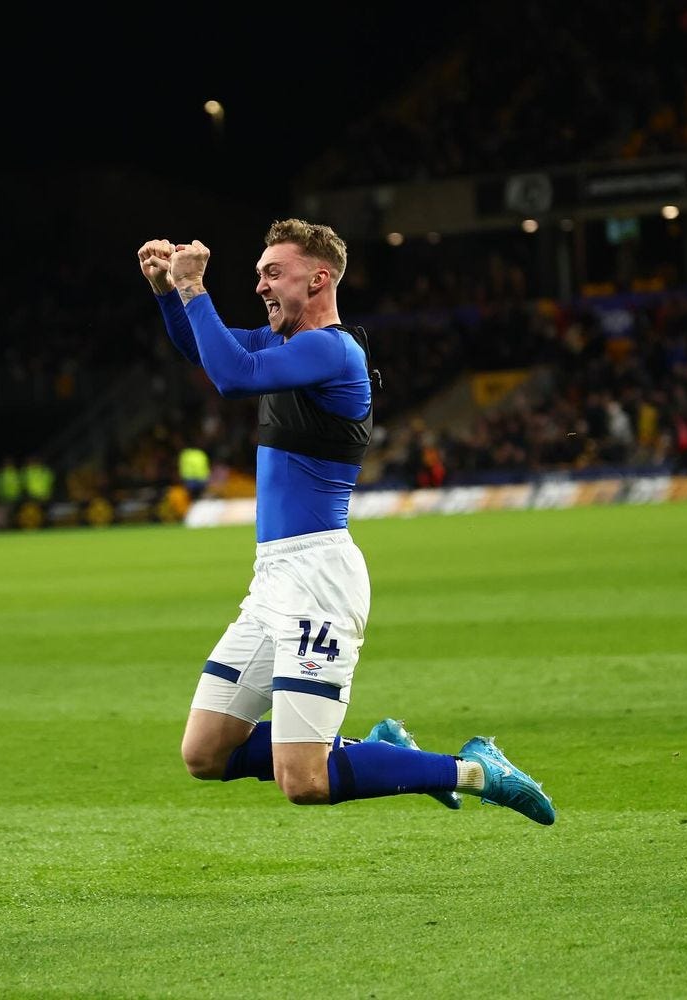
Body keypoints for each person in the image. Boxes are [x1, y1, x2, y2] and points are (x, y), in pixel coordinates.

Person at [137, 219, 554, 825]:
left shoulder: (332, 351)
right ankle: (384, 753)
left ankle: (476, 770)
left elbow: (231, 377)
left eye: (273, 273)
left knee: (303, 781)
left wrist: (195, 287)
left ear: (319, 278)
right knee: (205, 752)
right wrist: (168, 292)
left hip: (318, 580)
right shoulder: (285, 347)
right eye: (258, 274)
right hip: (274, 579)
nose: (259, 285)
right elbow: (205, 351)